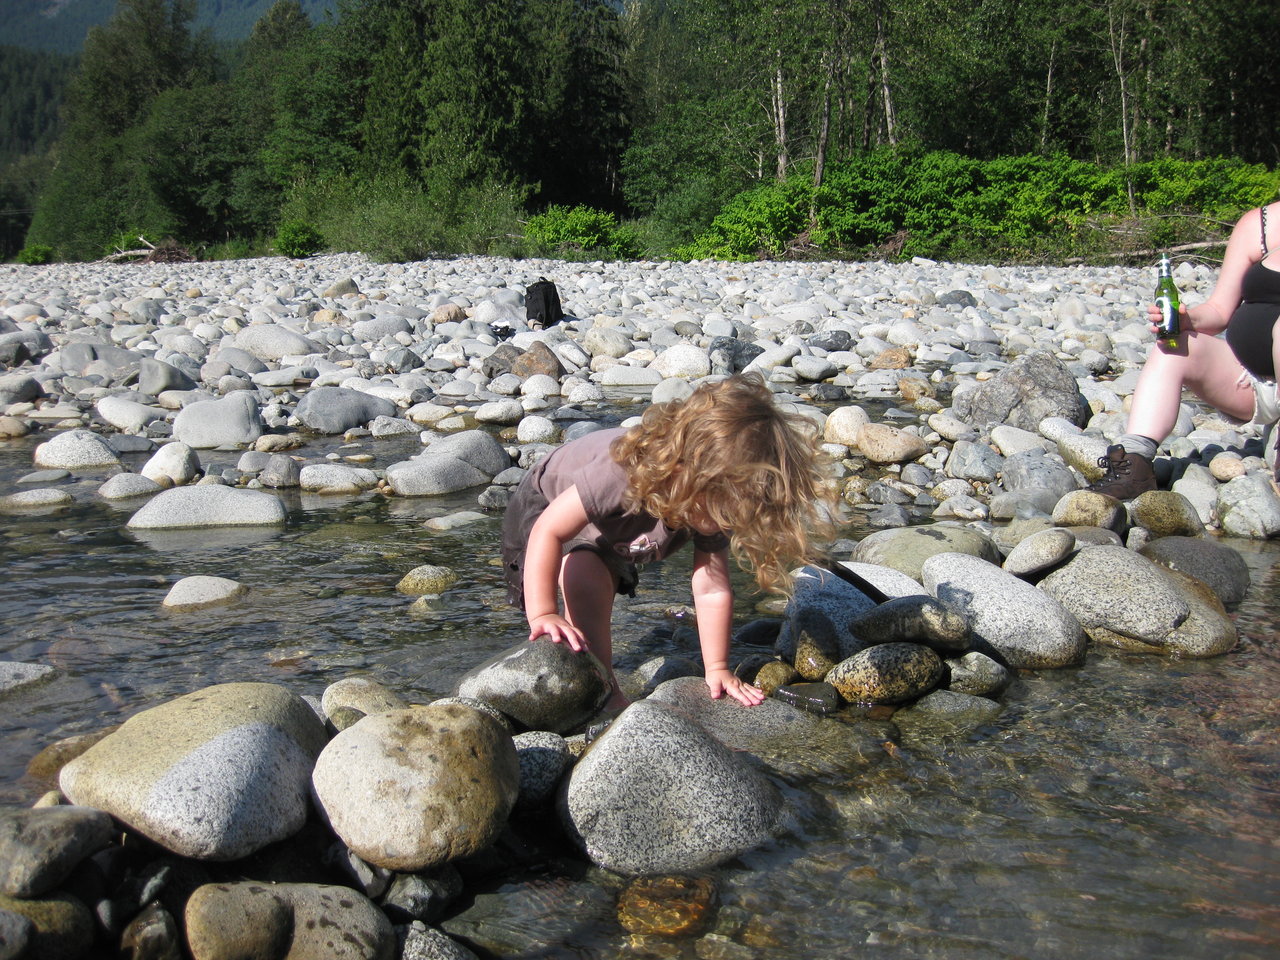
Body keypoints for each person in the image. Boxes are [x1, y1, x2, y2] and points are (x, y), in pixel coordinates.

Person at [500, 373, 834, 709]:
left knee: (594, 584)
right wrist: (544, 613)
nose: (727, 523)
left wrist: (717, 668)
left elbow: (712, 589)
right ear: (685, 472)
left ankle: (592, 679)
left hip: (613, 528)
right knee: (584, 578)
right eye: (722, 509)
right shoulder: (620, 473)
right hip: (547, 506)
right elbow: (548, 530)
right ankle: (604, 689)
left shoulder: (714, 497)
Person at [1088, 203, 1280, 499]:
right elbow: (1219, 310)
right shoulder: (1259, 225)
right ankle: (1134, 466)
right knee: (1173, 347)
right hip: (1254, 382)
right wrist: (1186, 319)